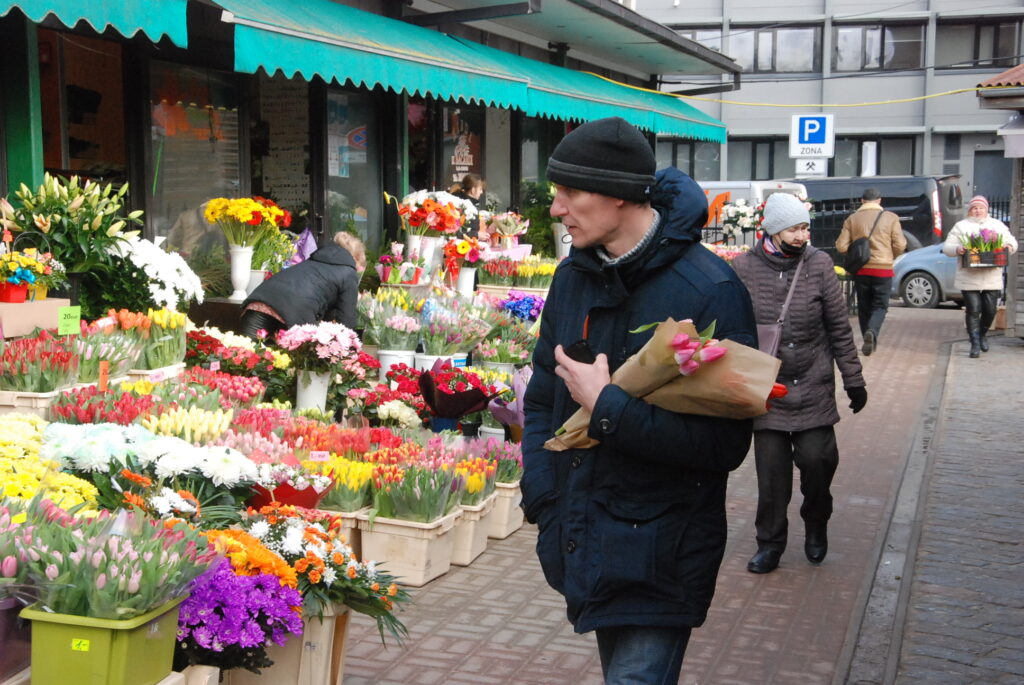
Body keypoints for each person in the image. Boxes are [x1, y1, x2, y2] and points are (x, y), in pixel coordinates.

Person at [521, 117, 757, 684]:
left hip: (661, 551)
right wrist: (543, 498)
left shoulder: (710, 292)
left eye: (570, 194)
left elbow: (723, 444)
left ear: (622, 196)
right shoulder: (573, 277)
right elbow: (541, 401)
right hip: (582, 535)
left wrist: (607, 406)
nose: (556, 209)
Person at [732, 193, 867, 574]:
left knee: (818, 463)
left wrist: (853, 380)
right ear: (773, 230)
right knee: (772, 478)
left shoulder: (819, 264)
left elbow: (839, 329)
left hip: (813, 384)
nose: (802, 235)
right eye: (794, 228)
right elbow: (733, 328)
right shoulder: (744, 268)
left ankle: (816, 521)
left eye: (805, 227)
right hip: (768, 390)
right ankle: (770, 543)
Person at [239, 231, 365, 339]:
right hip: (291, 314)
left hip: (257, 304)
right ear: (355, 259)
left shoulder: (312, 262)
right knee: (288, 364)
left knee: (246, 358)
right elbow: (346, 321)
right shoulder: (348, 272)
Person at [942, 195, 1018, 358]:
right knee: (973, 310)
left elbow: (1012, 242)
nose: (978, 211)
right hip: (969, 276)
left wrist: (1008, 246)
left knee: (990, 310)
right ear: (970, 210)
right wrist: (958, 249)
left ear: (986, 209)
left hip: (991, 276)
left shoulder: (996, 225)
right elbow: (947, 247)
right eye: (974, 208)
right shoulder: (961, 226)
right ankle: (975, 343)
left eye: (981, 208)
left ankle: (982, 334)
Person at [835, 188, 906, 356]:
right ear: (879, 200)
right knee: (880, 305)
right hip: (883, 269)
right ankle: (872, 332)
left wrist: (855, 252)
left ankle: (867, 336)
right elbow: (900, 244)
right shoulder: (891, 218)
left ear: (862, 201)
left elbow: (841, 246)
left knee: (864, 306)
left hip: (861, 269)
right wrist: (890, 256)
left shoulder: (852, 219)